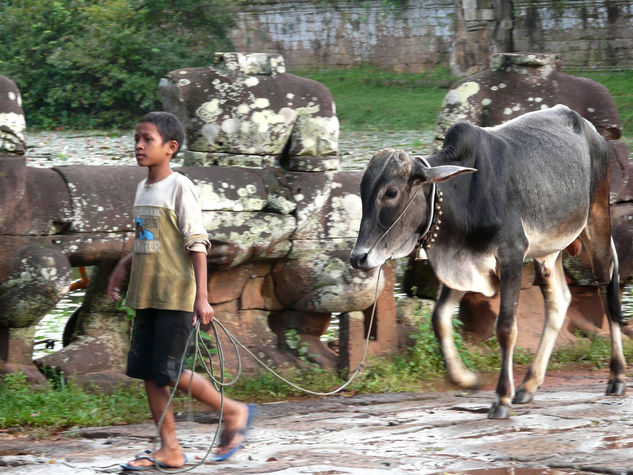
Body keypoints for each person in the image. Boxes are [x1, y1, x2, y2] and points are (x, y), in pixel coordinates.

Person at [107, 111, 256, 470]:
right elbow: (148, 238)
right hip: (146, 295)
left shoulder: (180, 187)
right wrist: (122, 267)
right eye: (136, 139)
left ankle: (233, 411)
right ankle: (169, 449)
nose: (139, 146)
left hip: (175, 296)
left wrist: (201, 297)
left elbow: (197, 244)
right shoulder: (143, 188)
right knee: (148, 372)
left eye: (148, 140)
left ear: (170, 148)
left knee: (167, 373)